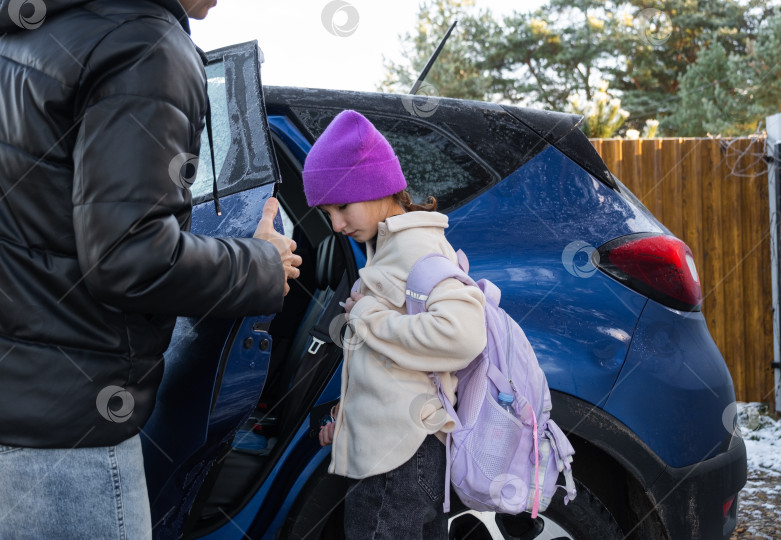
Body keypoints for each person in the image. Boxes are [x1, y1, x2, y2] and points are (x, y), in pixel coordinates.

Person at [0, 0, 301, 537]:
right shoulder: (145, 44)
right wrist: (263, 263)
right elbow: (129, 259)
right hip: (70, 443)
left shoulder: (28, 36)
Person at [304, 110, 487, 539]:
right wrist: (348, 418)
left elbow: (463, 335)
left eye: (342, 206)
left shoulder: (413, 247)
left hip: (398, 459)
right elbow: (394, 370)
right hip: (403, 450)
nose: (336, 224)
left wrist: (368, 317)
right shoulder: (390, 248)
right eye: (328, 213)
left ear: (376, 186)